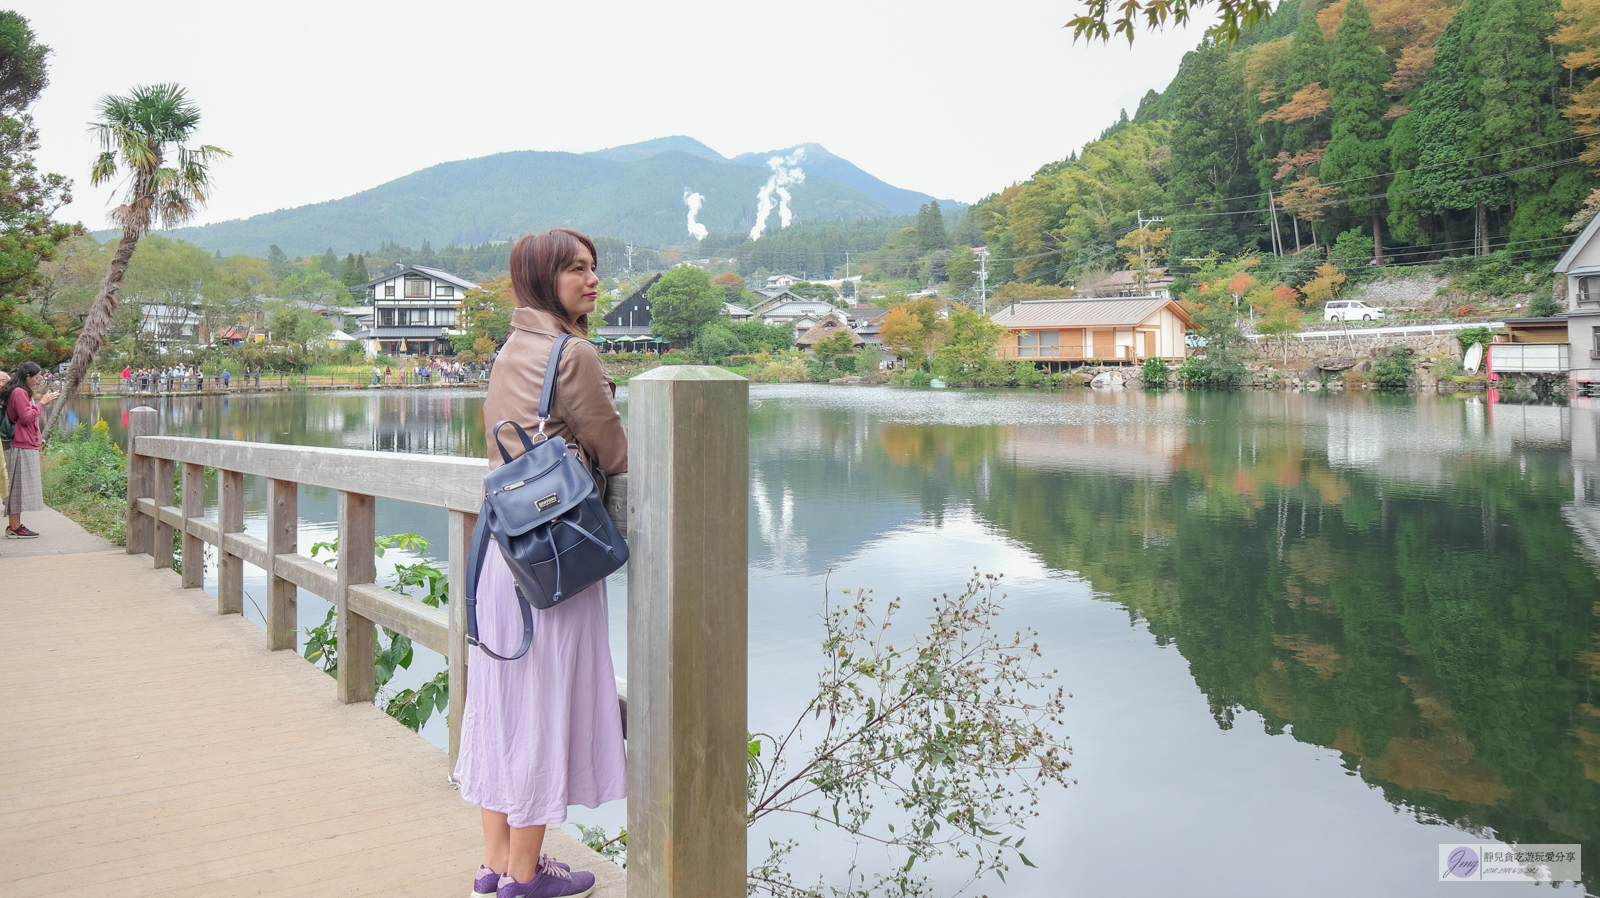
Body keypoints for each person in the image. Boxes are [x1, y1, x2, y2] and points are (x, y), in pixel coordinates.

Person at [454, 229, 623, 898]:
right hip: (554, 559)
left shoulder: (512, 348)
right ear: (542, 279)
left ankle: (496, 867)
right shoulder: (573, 352)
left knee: (504, 707)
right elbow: (614, 451)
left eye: (593, 268)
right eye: (576, 270)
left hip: (501, 552)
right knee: (543, 709)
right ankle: (525, 876)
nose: (592, 280)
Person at [4, 362, 59, 538]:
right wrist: (42, 403)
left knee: (17, 487)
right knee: (17, 487)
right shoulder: (19, 392)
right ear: (27, 376)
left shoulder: (19, 391)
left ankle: (14, 525)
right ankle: (15, 527)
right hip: (21, 443)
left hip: (23, 442)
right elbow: (26, 418)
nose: (38, 380)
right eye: (36, 377)